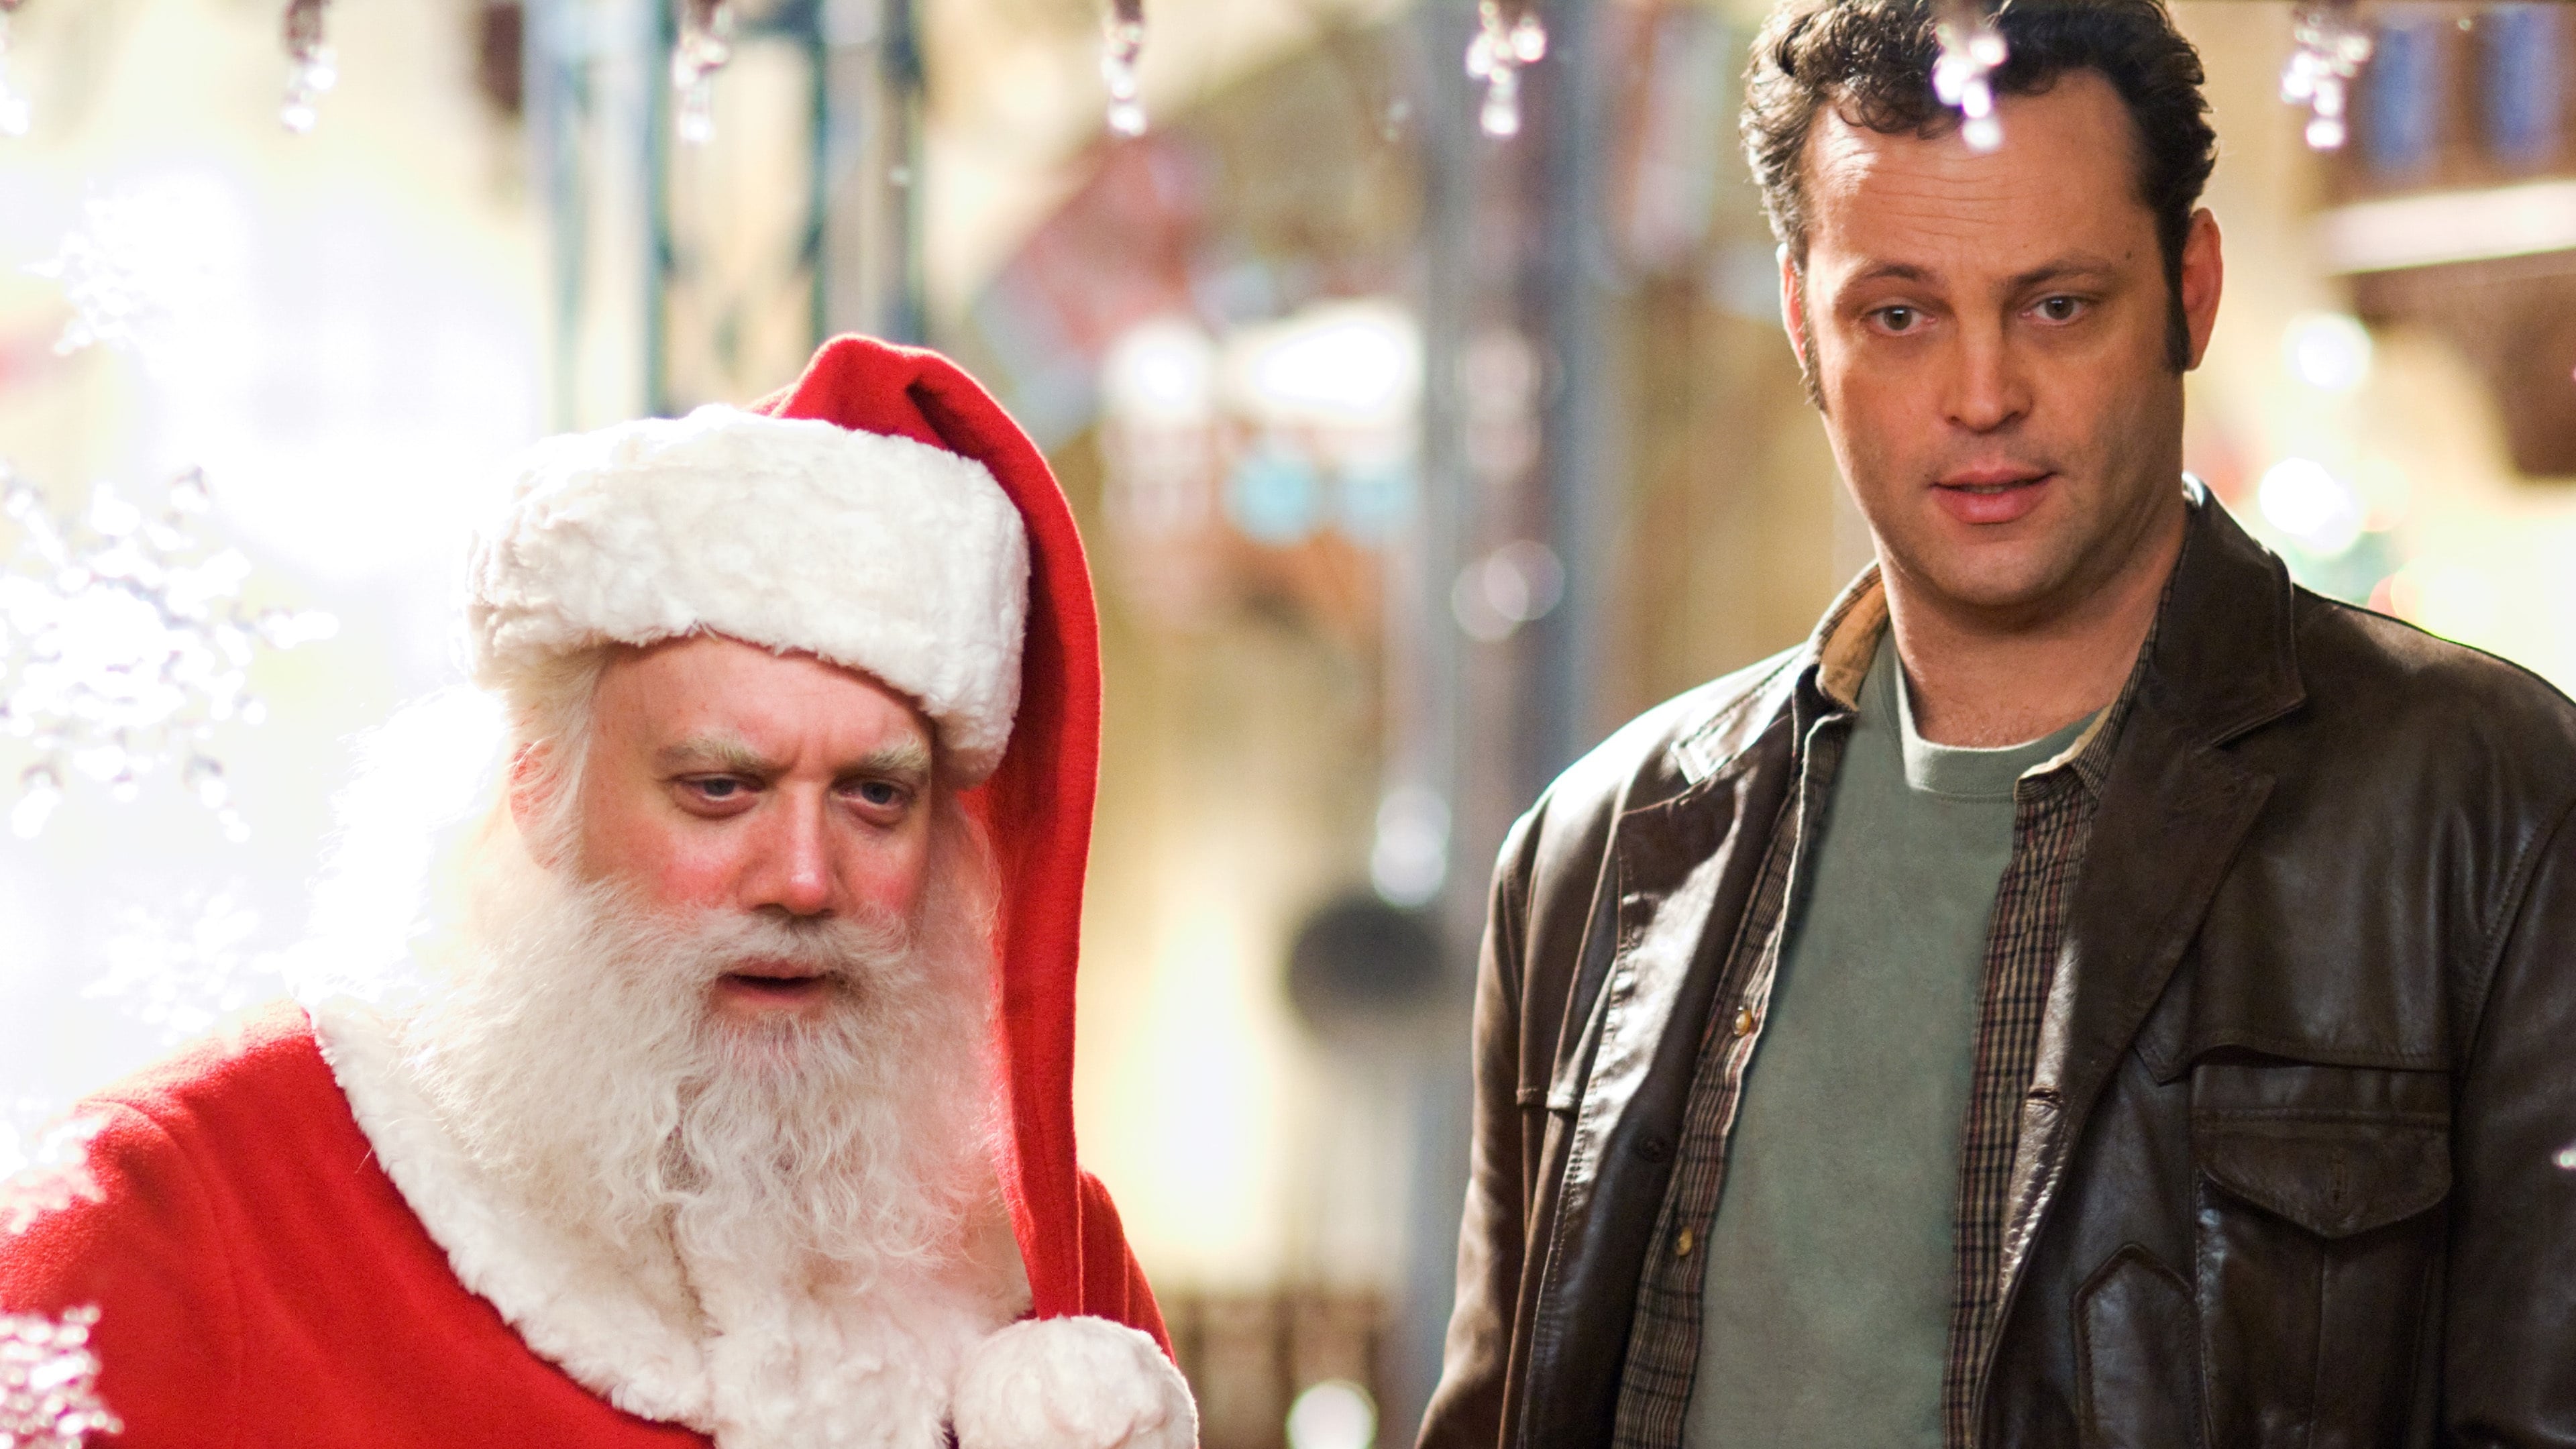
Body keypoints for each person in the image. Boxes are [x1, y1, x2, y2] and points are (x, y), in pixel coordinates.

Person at [1419, 1, 2576, 1445]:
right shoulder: (1602, 849)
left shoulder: (2494, 809)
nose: (1982, 397)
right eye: (1899, 315)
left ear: (2191, 290)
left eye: (2058, 306)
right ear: (1803, 321)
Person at [0, 337, 1198, 1449]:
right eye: (720, 787)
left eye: (875, 796)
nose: (803, 878)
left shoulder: (1047, 1275)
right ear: (538, 788)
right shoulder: (176, 1207)